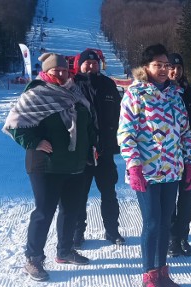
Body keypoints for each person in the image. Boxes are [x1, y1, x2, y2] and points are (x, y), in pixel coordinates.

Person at [2, 52, 96, 282]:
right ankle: (33, 258)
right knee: (44, 212)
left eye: (64, 70)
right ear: (46, 71)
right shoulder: (35, 94)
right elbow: (14, 125)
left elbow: (88, 124)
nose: (61, 74)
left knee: (71, 210)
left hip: (74, 163)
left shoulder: (75, 93)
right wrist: (34, 142)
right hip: (45, 165)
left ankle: (65, 251)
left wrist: (92, 145)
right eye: (56, 70)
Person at [118, 44, 191, 287]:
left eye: (167, 65)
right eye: (158, 65)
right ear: (146, 67)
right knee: (152, 223)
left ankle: (162, 271)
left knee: (165, 223)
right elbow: (126, 134)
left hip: (172, 171)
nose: (164, 69)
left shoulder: (175, 95)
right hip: (147, 173)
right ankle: (149, 275)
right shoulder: (135, 95)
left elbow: (185, 133)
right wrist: (133, 167)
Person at [73, 49, 125, 248]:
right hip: (81, 153)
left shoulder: (108, 84)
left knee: (109, 194)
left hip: (105, 151)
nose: (91, 66)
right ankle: (78, 233)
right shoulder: (73, 85)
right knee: (79, 196)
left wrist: (115, 140)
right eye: (87, 63)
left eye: (94, 63)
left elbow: (120, 115)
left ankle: (112, 231)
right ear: (80, 65)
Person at [165, 52, 191, 258]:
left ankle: (183, 237)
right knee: (171, 198)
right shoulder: (161, 92)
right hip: (168, 156)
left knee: (186, 198)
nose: (175, 71)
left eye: (179, 68)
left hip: (189, 154)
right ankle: (172, 239)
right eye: (171, 67)